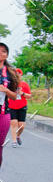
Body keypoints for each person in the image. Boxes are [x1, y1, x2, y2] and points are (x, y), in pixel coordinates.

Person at [0, 42, 20, 173]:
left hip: (3, 114)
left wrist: (5, 90)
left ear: (7, 55)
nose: (0, 53)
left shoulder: (11, 74)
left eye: (3, 51)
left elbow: (15, 96)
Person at [9, 68, 31, 147]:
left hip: (22, 106)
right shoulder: (10, 84)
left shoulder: (24, 84)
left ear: (21, 75)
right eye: (15, 74)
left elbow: (29, 96)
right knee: (14, 123)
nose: (17, 75)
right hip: (11, 106)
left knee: (21, 125)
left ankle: (18, 136)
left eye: (18, 73)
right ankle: (14, 141)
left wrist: (22, 93)